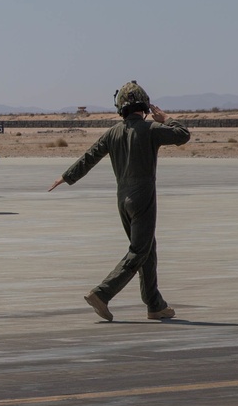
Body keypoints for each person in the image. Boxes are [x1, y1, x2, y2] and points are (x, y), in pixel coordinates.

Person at [48, 81, 190, 322]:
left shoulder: (112, 133)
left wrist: (66, 176)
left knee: (147, 250)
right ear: (144, 105)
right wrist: (166, 118)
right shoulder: (151, 129)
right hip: (142, 197)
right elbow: (183, 135)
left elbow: (89, 157)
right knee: (139, 251)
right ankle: (102, 293)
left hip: (122, 200)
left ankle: (155, 305)